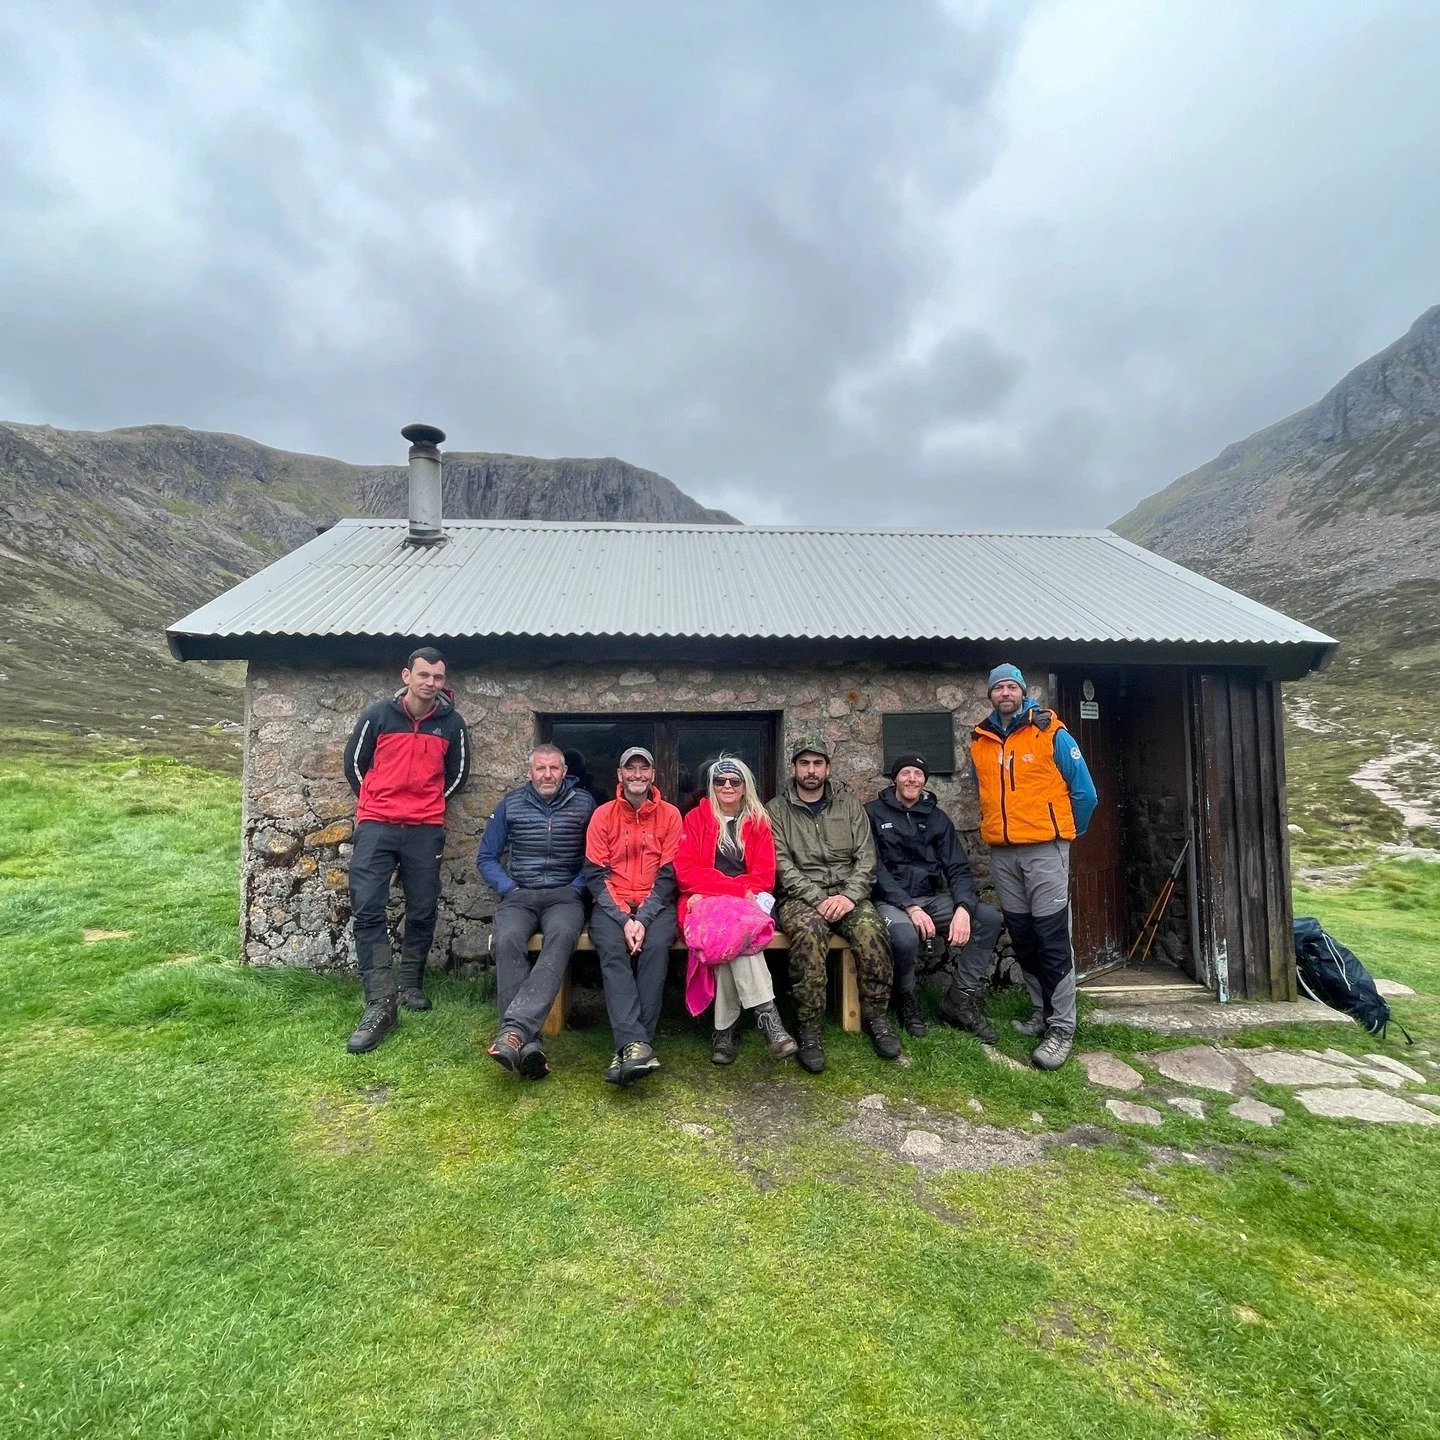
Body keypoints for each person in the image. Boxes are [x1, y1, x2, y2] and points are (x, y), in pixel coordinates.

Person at [341, 647, 470, 1054]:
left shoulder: (452, 724)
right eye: (423, 675)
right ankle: (380, 997)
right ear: (407, 675)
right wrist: (378, 801)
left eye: (437, 677)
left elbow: (459, 775)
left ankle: (411, 985)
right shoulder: (377, 716)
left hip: (425, 828)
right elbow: (355, 766)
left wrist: (427, 805)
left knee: (422, 906)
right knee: (368, 906)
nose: (430, 683)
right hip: (377, 824)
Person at [970, 664, 1098, 1070]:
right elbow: (985, 793)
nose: (1005, 692)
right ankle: (1040, 1013)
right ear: (990, 695)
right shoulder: (980, 740)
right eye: (998, 687)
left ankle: (1062, 1028)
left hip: (1046, 849)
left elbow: (1085, 793)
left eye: (1012, 686)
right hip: (1004, 852)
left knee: (1052, 935)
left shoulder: (1051, 732)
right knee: (1024, 936)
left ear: (1023, 691)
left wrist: (1062, 834)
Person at [766, 733, 902, 1073]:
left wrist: (848, 896)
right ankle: (808, 1026)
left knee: (871, 930)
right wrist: (818, 898)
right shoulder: (776, 811)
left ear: (827, 768)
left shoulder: (849, 805)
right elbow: (781, 864)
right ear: (794, 768)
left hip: (848, 893)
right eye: (804, 764)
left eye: (817, 764)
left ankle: (877, 1017)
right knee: (810, 933)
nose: (811, 771)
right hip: (799, 897)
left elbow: (866, 859)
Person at [477, 743, 597, 1080]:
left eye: (554, 769)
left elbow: (596, 855)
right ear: (530, 772)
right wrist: (508, 888)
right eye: (540, 769)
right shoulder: (511, 804)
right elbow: (487, 856)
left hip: (564, 895)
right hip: (520, 893)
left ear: (564, 771)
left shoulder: (584, 803)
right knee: (506, 940)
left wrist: (576, 887)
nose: (547, 775)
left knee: (560, 938)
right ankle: (529, 1043)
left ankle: (513, 1032)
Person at [866, 753, 1004, 1041]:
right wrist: (910, 906)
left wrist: (964, 907)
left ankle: (959, 999)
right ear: (895, 778)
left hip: (932, 897)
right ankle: (907, 999)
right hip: (891, 900)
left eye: (918, 774)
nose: (911, 779)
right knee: (904, 937)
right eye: (905, 772)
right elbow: (874, 868)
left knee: (988, 919)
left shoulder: (937, 818)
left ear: (925, 780)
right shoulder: (873, 813)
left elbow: (958, 868)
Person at [674, 756, 798, 1066]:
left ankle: (724, 1031)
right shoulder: (695, 819)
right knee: (732, 932)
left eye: (734, 781)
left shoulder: (758, 821)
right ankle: (769, 1020)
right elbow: (686, 872)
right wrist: (736, 889)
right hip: (702, 904)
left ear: (745, 787)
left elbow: (765, 877)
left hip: (744, 904)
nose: (727, 786)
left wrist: (731, 891)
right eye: (720, 781)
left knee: (737, 935)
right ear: (711, 786)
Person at [585, 746, 683, 1086]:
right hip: (613, 906)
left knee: (656, 950)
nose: (637, 774)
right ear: (620, 775)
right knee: (612, 951)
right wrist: (625, 918)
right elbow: (595, 875)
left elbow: (669, 875)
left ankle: (630, 1044)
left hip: (656, 906)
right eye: (631, 769)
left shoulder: (670, 815)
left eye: (644, 769)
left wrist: (643, 918)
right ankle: (637, 1045)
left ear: (653, 775)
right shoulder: (603, 815)